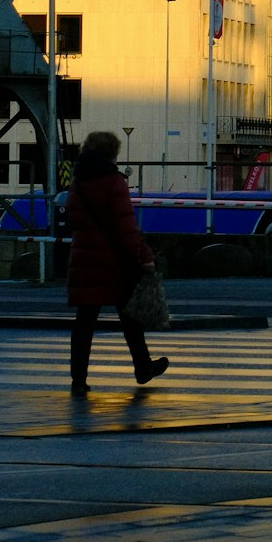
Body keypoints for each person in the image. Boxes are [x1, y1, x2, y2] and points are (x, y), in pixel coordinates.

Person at [66, 129, 170, 395]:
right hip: (114, 262)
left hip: (84, 258)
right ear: (112, 153)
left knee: (84, 323)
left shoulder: (77, 183)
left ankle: (79, 380)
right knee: (130, 317)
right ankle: (143, 367)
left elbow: (73, 220)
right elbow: (126, 227)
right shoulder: (114, 182)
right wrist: (145, 258)